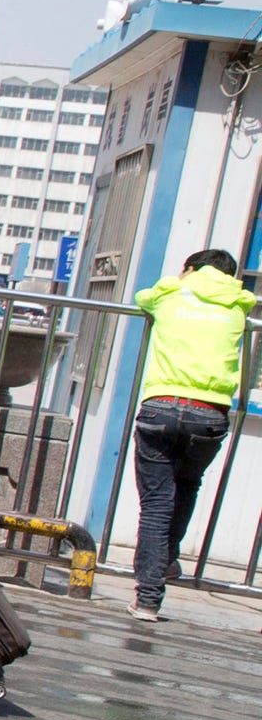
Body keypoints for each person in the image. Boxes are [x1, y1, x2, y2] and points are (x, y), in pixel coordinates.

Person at [127, 248, 254, 621]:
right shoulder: (238, 304)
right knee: (187, 485)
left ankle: (148, 598)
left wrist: (180, 280)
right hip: (209, 413)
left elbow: (141, 298)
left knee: (155, 504)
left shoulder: (170, 293)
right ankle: (165, 562)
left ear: (191, 269)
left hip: (161, 405)